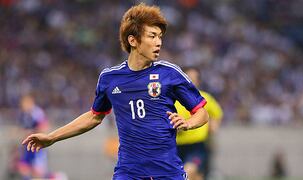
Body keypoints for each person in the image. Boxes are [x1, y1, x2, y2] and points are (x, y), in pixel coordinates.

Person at [22, 3, 209, 180]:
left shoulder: (170, 73)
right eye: (152, 36)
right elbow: (94, 116)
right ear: (133, 40)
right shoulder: (110, 78)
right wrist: (52, 137)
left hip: (167, 172)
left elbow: (202, 112)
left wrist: (189, 123)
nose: (158, 42)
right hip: (128, 172)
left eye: (160, 36)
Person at [175, 67, 223, 180]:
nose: (190, 81)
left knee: (188, 172)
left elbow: (217, 113)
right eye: (188, 78)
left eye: (193, 79)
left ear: (198, 81)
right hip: (175, 147)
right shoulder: (174, 100)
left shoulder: (204, 98)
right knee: (196, 177)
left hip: (197, 146)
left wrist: (214, 126)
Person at [17, 94, 50, 179]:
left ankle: (56, 177)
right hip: (27, 147)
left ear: (30, 102)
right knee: (23, 168)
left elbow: (44, 127)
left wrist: (31, 132)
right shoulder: (24, 114)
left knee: (38, 172)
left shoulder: (37, 113)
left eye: (24, 103)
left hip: (36, 147)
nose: (23, 106)